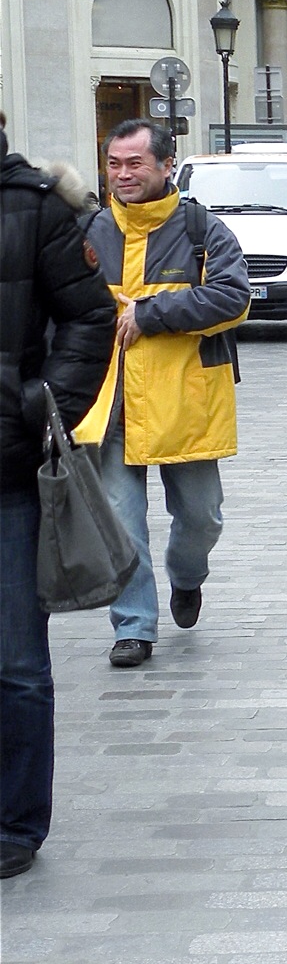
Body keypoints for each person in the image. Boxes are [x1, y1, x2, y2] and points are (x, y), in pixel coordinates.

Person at [76, 119, 249, 668]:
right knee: (122, 526)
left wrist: (152, 314)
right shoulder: (87, 231)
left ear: (167, 166)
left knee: (203, 518)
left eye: (135, 163)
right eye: (114, 164)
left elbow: (234, 298)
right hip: (110, 405)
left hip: (184, 400)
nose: (123, 174)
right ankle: (134, 626)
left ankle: (187, 576)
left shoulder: (204, 230)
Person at [0, 123, 116, 879]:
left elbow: (92, 315)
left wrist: (42, 406)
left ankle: (15, 824)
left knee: (14, 659)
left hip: (7, 467)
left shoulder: (33, 206)